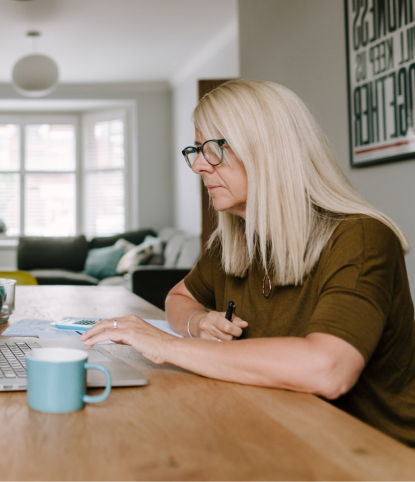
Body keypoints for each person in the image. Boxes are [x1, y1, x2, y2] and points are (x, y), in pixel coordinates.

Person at [80, 79, 415, 447]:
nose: (198, 168)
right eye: (196, 150)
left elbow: (328, 369)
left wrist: (166, 345)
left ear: (268, 150)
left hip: (370, 454)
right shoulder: (234, 240)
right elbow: (179, 297)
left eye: (213, 149)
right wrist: (197, 322)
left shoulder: (361, 238)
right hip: (276, 431)